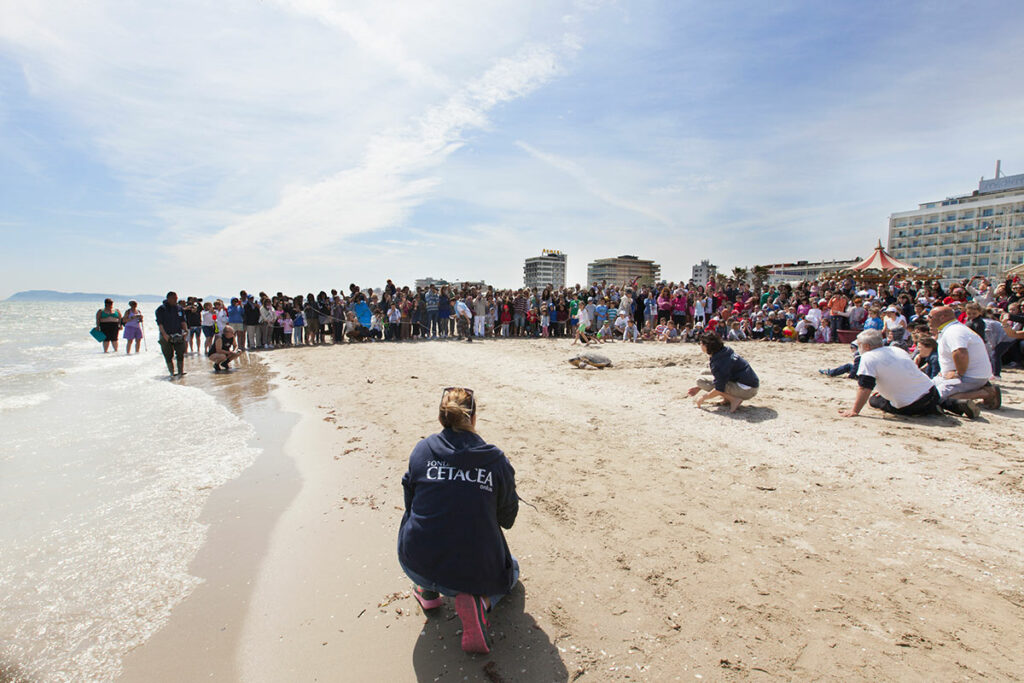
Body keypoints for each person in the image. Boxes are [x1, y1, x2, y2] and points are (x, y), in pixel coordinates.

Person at [397, 387, 519, 654]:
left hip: (416, 559)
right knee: (513, 571)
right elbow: (507, 519)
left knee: (419, 513)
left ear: (442, 418)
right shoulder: (495, 459)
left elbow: (410, 503)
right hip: (471, 570)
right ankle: (480, 603)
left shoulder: (422, 449)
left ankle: (426, 589)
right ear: (473, 418)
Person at [838, 330, 957, 417]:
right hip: (932, 391)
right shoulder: (897, 350)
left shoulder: (868, 357)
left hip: (911, 405)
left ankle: (930, 410)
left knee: (874, 400)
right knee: (924, 397)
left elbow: (864, 387)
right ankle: (949, 404)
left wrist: (854, 411)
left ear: (866, 346)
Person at [927, 305, 1000, 409]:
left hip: (969, 377)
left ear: (942, 317)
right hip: (963, 375)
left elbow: (960, 353)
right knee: (925, 391)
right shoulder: (951, 329)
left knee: (935, 399)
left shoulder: (954, 331)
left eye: (930, 317)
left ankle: (987, 393)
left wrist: (958, 373)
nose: (928, 319)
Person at [686, 332, 759, 412]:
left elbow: (719, 388)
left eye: (701, 343)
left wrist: (703, 398)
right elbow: (723, 374)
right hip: (749, 382)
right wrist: (699, 388)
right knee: (704, 373)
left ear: (706, 346)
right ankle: (727, 399)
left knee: (700, 381)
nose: (700, 345)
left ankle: (734, 399)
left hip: (747, 390)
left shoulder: (719, 363)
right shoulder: (725, 350)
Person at [156, 291, 189, 377]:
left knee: (180, 353)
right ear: (168, 298)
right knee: (168, 354)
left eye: (176, 298)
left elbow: (183, 321)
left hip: (178, 334)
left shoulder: (179, 308)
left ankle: (180, 372)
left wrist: (186, 331)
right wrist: (164, 335)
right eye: (174, 298)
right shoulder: (161, 309)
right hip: (166, 335)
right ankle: (171, 372)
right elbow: (160, 324)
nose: (176, 300)